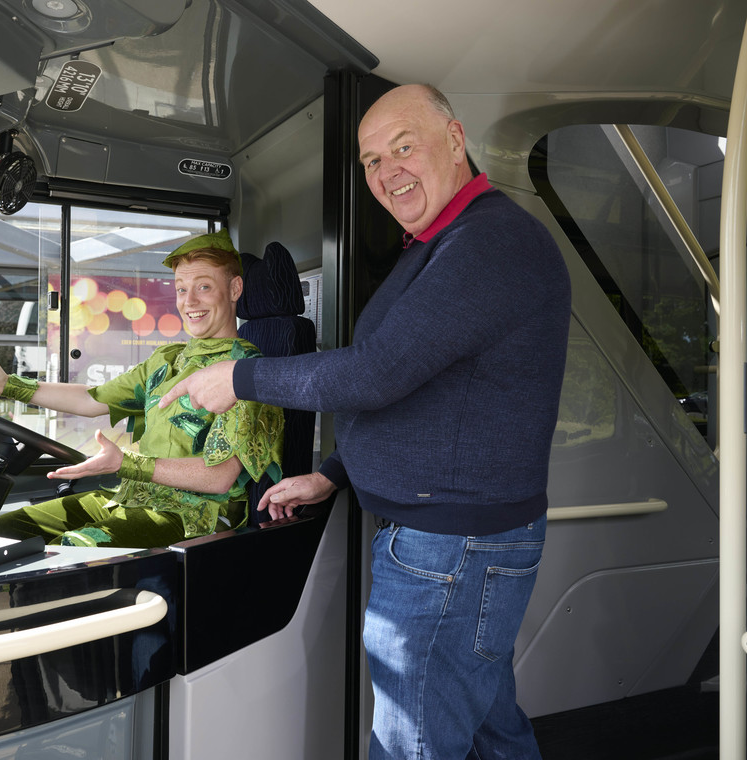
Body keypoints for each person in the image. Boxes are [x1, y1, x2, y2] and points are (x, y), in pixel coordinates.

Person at [158, 84, 571, 759]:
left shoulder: (490, 242)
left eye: (404, 147)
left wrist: (240, 377)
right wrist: (331, 475)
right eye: (372, 160)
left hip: (451, 550)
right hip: (451, 544)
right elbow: (417, 389)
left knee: (409, 746)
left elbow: (376, 373)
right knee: (494, 732)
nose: (387, 171)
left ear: (456, 140)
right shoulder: (436, 247)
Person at [0, 229, 284, 549]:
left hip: (194, 516)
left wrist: (126, 463)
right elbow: (93, 399)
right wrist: (8, 385)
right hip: (130, 497)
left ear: (235, 289)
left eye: (204, 287)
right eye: (181, 289)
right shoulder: (168, 358)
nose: (189, 301)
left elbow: (220, 477)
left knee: (71, 551)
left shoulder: (246, 372)